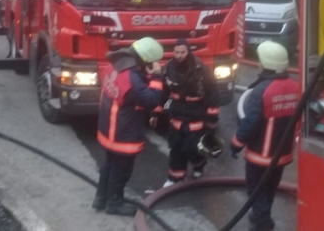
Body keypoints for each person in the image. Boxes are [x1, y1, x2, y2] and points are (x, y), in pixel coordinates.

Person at [230, 41, 299, 231]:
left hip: (260, 156)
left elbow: (250, 124)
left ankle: (263, 223)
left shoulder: (261, 91)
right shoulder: (295, 87)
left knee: (256, 191)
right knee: (270, 188)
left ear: (264, 64)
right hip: (283, 154)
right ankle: (262, 214)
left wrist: (235, 144)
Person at [93, 37, 165, 217]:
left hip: (109, 127)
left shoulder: (115, 66)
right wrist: (156, 77)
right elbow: (151, 99)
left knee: (109, 166)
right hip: (123, 132)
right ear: (145, 61)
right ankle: (114, 203)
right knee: (121, 170)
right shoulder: (133, 79)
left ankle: (101, 198)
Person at [159, 38, 220, 187]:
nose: (179, 55)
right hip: (177, 113)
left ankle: (199, 163)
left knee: (192, 147)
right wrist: (158, 111)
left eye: (182, 52)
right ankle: (175, 178)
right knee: (176, 146)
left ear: (188, 52)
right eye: (177, 52)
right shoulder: (168, 69)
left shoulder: (202, 70)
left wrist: (212, 119)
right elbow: (163, 93)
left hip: (196, 114)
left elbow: (213, 93)